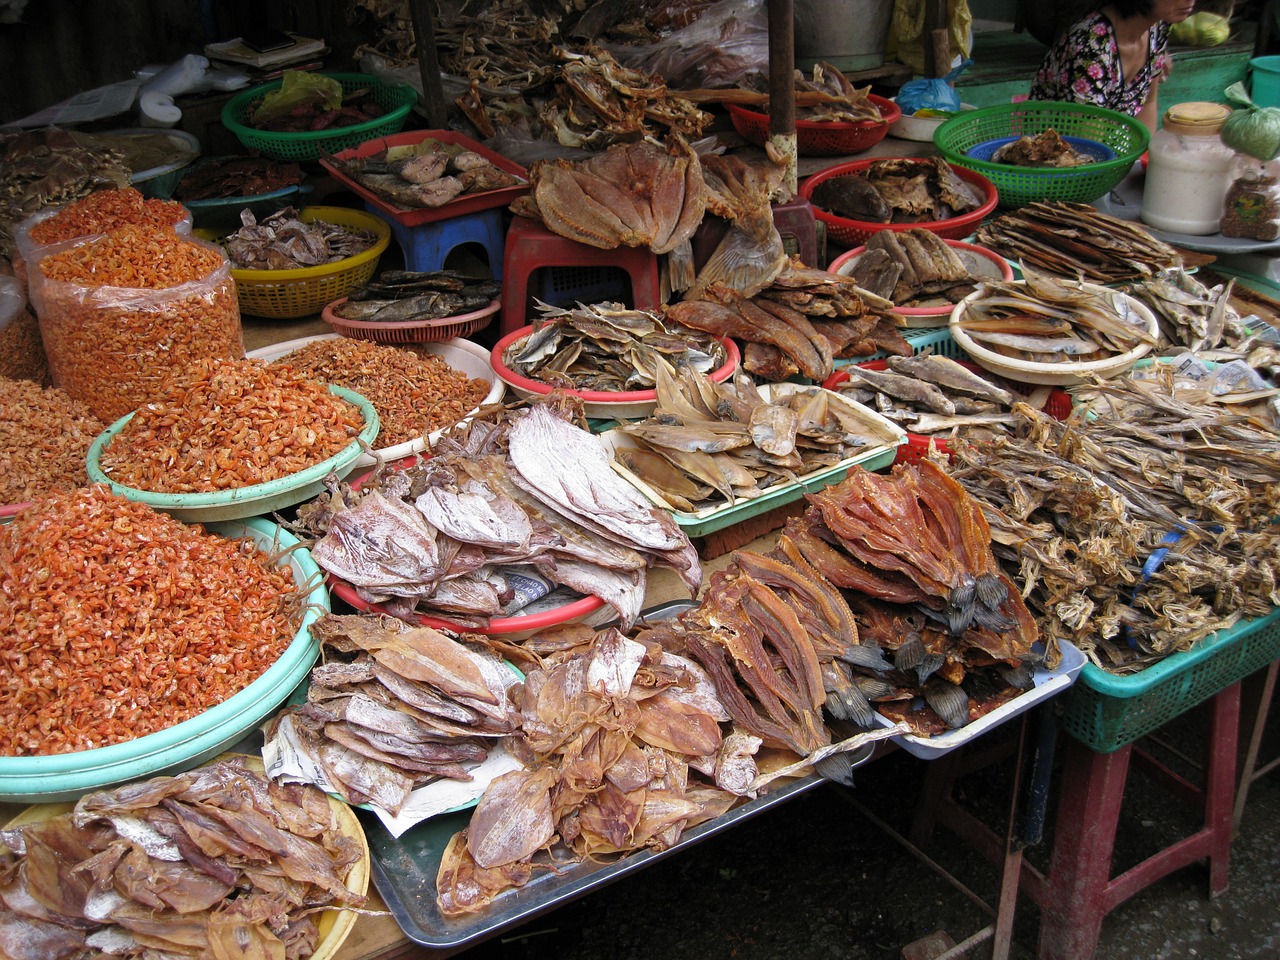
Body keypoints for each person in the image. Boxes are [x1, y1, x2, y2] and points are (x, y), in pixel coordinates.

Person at [1028, 1, 1197, 132]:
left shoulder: (1157, 28)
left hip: (1116, 157)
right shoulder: (1089, 46)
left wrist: (1142, 161)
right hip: (1064, 164)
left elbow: (1148, 103)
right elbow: (1088, 143)